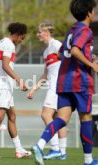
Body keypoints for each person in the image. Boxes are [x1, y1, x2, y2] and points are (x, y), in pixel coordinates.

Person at [31, 0, 98, 165]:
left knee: (62, 118)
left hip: (64, 81)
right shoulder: (85, 30)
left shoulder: (72, 30)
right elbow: (74, 50)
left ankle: (39, 144)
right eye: (94, 10)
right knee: (86, 118)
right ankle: (88, 160)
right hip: (79, 81)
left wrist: (87, 57)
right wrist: (91, 64)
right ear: (89, 12)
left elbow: (62, 55)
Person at [0, 22, 31, 159]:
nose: (22, 40)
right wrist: (19, 80)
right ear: (18, 34)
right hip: (4, 85)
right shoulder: (9, 45)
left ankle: (19, 149)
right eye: (22, 37)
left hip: (2, 85)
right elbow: (5, 65)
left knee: (12, 116)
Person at [27, 23, 67, 160]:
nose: (38, 34)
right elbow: (45, 74)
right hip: (54, 85)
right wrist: (34, 89)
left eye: (39, 32)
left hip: (58, 85)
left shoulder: (56, 44)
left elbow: (68, 58)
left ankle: (55, 148)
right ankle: (62, 152)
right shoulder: (45, 52)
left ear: (47, 32)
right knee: (58, 118)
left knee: (45, 114)